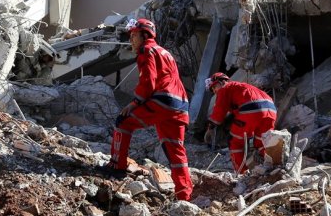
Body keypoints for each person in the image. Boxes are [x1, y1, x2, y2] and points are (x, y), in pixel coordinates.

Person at [105, 18, 193, 202]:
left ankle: (116, 166)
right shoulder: (165, 52)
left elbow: (148, 82)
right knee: (176, 150)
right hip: (181, 105)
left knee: (123, 122)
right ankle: (184, 195)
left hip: (163, 100)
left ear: (145, 35)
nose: (131, 40)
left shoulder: (147, 50)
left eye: (134, 36)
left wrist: (135, 103)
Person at [204, 72, 277, 174]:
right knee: (262, 142)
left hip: (252, 111)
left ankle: (242, 175)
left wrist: (210, 127)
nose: (215, 91)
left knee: (234, 142)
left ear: (220, 82)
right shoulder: (242, 87)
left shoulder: (225, 89)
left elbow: (219, 112)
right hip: (271, 111)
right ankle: (273, 168)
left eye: (214, 87)